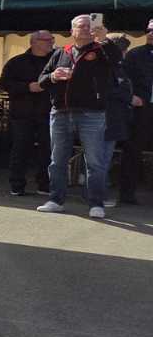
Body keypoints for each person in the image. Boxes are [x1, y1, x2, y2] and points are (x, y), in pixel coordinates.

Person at [37, 15, 114, 218]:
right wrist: (53, 76)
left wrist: (104, 39)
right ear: (72, 31)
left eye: (90, 25)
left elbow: (117, 62)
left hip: (92, 113)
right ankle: (55, 200)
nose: (87, 28)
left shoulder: (102, 50)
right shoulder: (61, 52)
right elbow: (42, 80)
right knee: (57, 160)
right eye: (82, 26)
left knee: (94, 161)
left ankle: (96, 203)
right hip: (61, 112)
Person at [0, 32, 56, 197]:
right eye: (47, 40)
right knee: (20, 149)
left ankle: (45, 184)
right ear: (34, 42)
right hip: (22, 113)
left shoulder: (57, 61)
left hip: (49, 112)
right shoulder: (17, 62)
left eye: (52, 39)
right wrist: (27, 87)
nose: (51, 42)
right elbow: (4, 83)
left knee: (48, 150)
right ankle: (17, 185)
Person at [122, 19, 153, 205]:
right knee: (133, 150)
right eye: (149, 30)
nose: (150, 33)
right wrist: (131, 96)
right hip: (142, 108)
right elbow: (123, 79)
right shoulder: (135, 54)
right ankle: (127, 193)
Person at [104, 36, 134, 210]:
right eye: (123, 50)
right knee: (101, 158)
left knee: (103, 157)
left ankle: (97, 193)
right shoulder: (109, 67)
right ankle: (97, 194)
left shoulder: (119, 67)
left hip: (115, 117)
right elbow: (109, 90)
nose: (125, 53)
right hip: (107, 117)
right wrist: (129, 96)